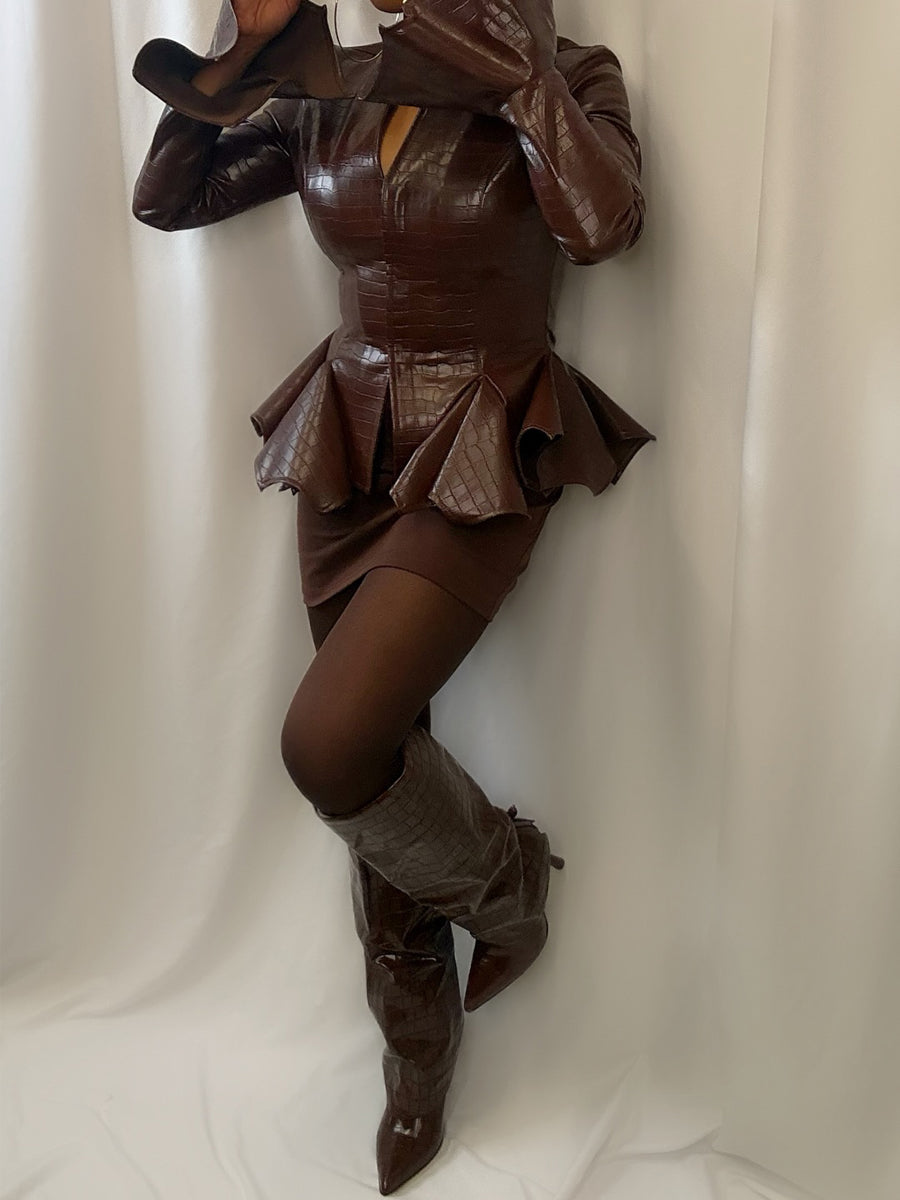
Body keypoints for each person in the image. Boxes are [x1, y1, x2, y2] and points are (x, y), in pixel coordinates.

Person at [131, 0, 656, 1191]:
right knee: (370, 763)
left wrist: (519, 76)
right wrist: (234, 54)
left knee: (328, 741)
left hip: (482, 446)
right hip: (348, 442)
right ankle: (417, 1055)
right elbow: (170, 198)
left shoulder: (569, 71)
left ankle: (510, 888)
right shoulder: (340, 80)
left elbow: (605, 227)